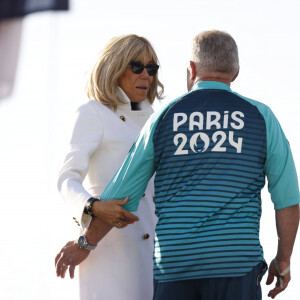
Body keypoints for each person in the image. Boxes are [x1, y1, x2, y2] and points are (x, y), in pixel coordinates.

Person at [91, 30, 299, 300]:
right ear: (235, 72)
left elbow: (120, 194)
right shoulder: (261, 117)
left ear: (192, 69)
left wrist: (85, 242)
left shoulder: (163, 117)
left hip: (175, 266)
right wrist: (283, 259)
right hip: (235, 264)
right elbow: (288, 199)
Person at [55, 34, 164, 300]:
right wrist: (92, 206)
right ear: (115, 67)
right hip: (107, 251)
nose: (146, 76)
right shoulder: (94, 113)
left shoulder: (158, 121)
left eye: (151, 69)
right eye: (136, 67)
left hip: (158, 259)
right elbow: (67, 179)